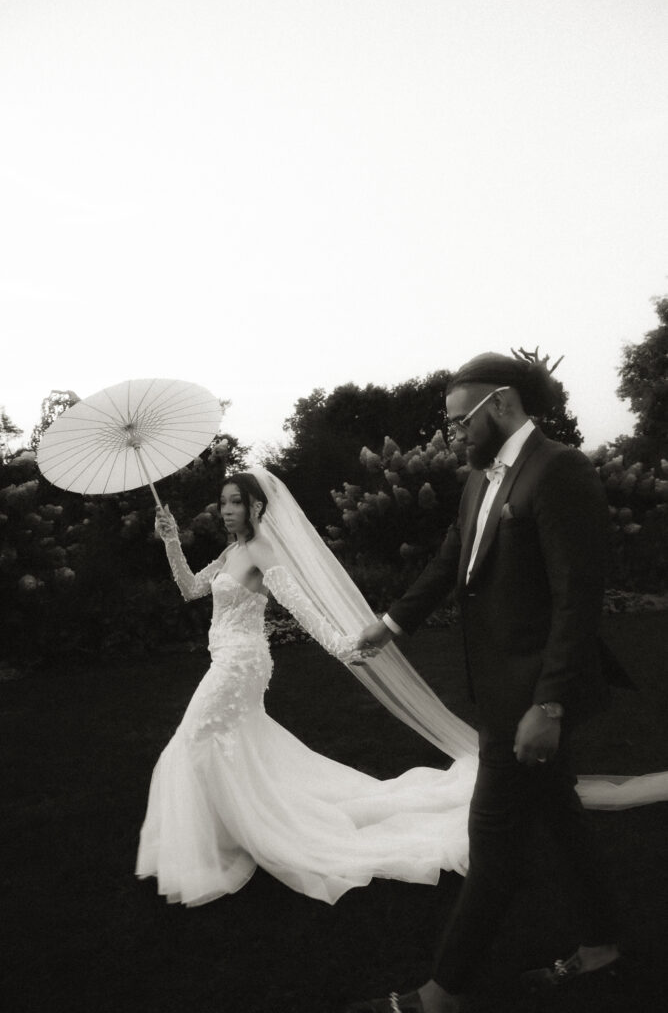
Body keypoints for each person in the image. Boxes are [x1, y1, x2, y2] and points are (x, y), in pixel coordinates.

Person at [348, 352, 627, 1013]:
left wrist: (550, 703)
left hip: (531, 696)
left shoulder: (559, 470)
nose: (452, 435)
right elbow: (456, 555)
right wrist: (392, 621)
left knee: (493, 839)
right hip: (500, 687)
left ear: (500, 404)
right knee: (561, 817)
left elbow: (577, 599)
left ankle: (442, 993)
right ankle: (604, 944)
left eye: (459, 421)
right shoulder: (480, 478)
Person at [135, 470, 478, 908]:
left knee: (196, 737)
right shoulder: (231, 551)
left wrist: (340, 645)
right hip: (225, 658)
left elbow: (300, 606)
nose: (226, 510)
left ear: (256, 506)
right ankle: (228, 834)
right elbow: (190, 589)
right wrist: (170, 541)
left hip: (241, 663)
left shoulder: (261, 550)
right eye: (223, 502)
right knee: (222, 745)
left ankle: (213, 847)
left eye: (235, 502)